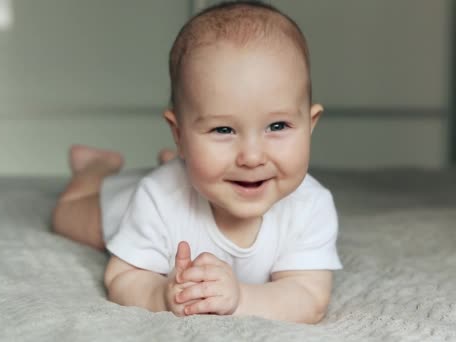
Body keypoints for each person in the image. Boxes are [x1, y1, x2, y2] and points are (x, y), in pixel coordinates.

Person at [52, 1, 342, 324]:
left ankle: (182, 161)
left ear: (310, 124)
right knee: (67, 217)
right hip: (134, 207)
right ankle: (95, 169)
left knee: (195, 172)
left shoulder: (310, 206)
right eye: (223, 129)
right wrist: (162, 294)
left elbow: (309, 297)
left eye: (277, 126)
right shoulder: (158, 199)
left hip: (190, 174)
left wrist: (241, 298)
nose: (252, 157)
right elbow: (122, 278)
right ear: (179, 134)